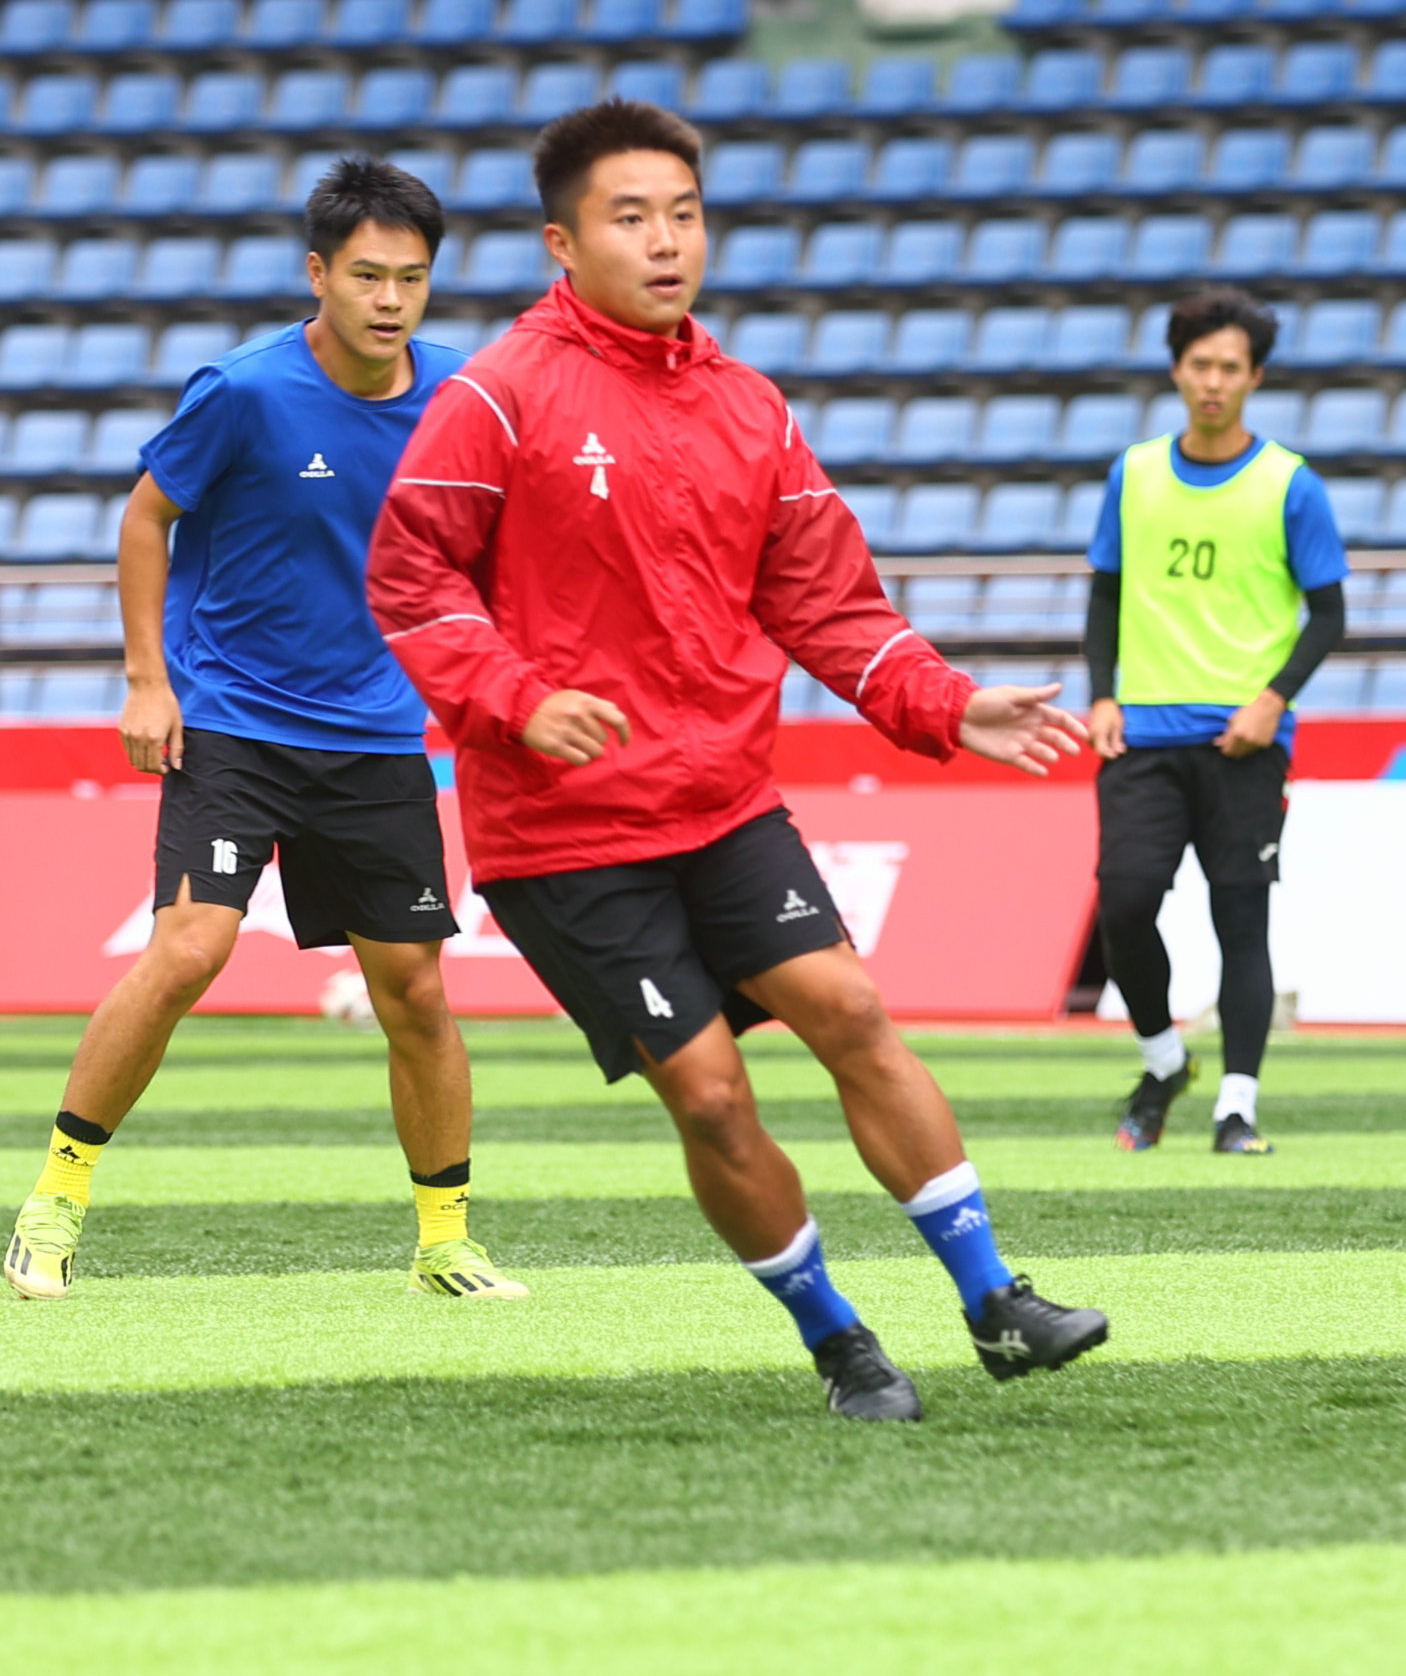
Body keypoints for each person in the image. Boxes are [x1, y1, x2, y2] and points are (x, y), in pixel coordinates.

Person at [364, 100, 1108, 1423]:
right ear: (562, 243)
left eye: (684, 214)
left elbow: (832, 604)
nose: (666, 241)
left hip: (720, 798)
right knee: (710, 1095)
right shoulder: (496, 394)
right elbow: (411, 575)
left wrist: (947, 706)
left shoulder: (747, 406)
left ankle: (996, 1299)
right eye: (630, 217)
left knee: (852, 1011)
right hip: (564, 833)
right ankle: (839, 1343)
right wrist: (517, 701)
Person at [5, 158, 525, 1304]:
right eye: (367, 276)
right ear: (317, 274)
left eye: (411, 278)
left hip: (377, 737)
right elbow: (145, 519)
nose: (389, 299)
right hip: (233, 723)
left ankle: (445, 1242)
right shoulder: (242, 391)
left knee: (415, 992)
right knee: (188, 950)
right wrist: (148, 681)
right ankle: (54, 1202)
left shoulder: (461, 395)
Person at [1087, 287, 1349, 1157]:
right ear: (1176, 370)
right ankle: (1163, 1063)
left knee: (1241, 920)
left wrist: (1272, 699)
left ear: (1254, 377)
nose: (1212, 382)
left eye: (1229, 368)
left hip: (1244, 742)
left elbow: (1329, 615)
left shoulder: (1289, 483)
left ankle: (1236, 1108)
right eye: (1200, 364)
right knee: (1124, 903)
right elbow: (1105, 594)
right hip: (1142, 734)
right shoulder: (1133, 474)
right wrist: (1101, 693)